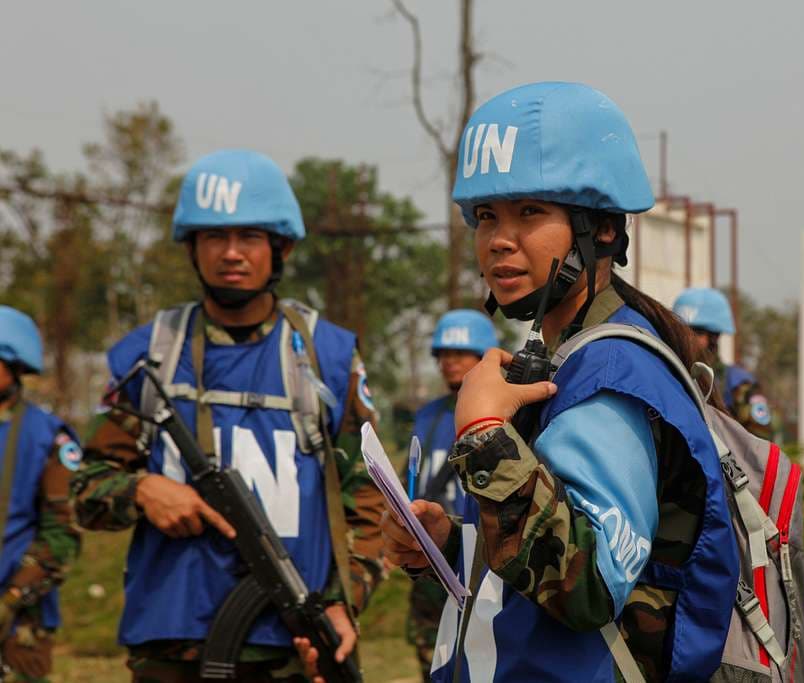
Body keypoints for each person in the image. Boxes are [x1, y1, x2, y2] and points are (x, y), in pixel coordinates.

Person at [377, 82, 739, 682]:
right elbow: (539, 568)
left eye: (530, 213)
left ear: (599, 228)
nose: (499, 239)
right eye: (487, 216)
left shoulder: (612, 376)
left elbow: (590, 588)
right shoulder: (564, 358)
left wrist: (485, 435)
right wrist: (448, 545)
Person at [72, 149, 386, 682]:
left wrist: (345, 600)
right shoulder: (148, 354)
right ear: (193, 248)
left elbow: (371, 499)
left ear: (280, 247)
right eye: (215, 237)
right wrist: (142, 492)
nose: (231, 253)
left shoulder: (327, 359)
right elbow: (87, 490)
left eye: (250, 237)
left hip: (294, 644)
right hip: (170, 646)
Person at [405, 309, 497, 683]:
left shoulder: (500, 411)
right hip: (429, 563)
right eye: (443, 354)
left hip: (476, 562)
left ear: (483, 356)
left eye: (460, 353)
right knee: (433, 663)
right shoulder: (427, 416)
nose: (449, 362)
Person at [0, 307, 81, 683]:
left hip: (19, 623)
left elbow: (62, 537)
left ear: (14, 365)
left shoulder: (47, 435)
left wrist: (11, 599)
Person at [673, 287, 774, 438]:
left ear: (714, 337)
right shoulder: (670, 374)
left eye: (696, 332)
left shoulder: (739, 384)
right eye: (681, 330)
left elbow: (760, 442)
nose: (687, 338)